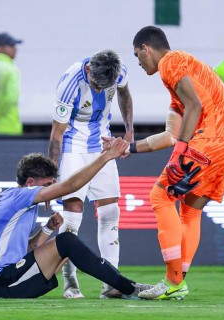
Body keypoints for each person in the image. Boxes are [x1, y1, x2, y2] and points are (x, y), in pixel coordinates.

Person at [129, 26, 224, 300]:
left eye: (137, 55)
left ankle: (172, 281)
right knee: (190, 211)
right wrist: (129, 147)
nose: (138, 62)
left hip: (215, 136)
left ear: (147, 48)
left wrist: (179, 155)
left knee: (159, 195)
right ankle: (177, 281)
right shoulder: (178, 82)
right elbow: (171, 135)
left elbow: (193, 106)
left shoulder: (170, 61)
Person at [0, 138, 152, 299]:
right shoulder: (20, 197)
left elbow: (28, 248)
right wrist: (106, 157)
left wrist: (48, 228)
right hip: (3, 284)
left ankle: (116, 286)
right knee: (67, 241)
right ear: (30, 183)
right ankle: (127, 288)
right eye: (48, 185)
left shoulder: (12, 200)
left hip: (9, 278)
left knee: (67, 241)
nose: (52, 189)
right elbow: (70, 186)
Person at [48, 49, 134, 299]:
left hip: (102, 147)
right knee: (72, 219)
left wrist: (129, 132)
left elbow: (125, 96)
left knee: (110, 213)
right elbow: (56, 134)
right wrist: (54, 173)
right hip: (73, 149)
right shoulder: (69, 83)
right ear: (88, 71)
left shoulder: (119, 72)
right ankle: (70, 282)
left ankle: (113, 282)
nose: (98, 90)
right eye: (96, 85)